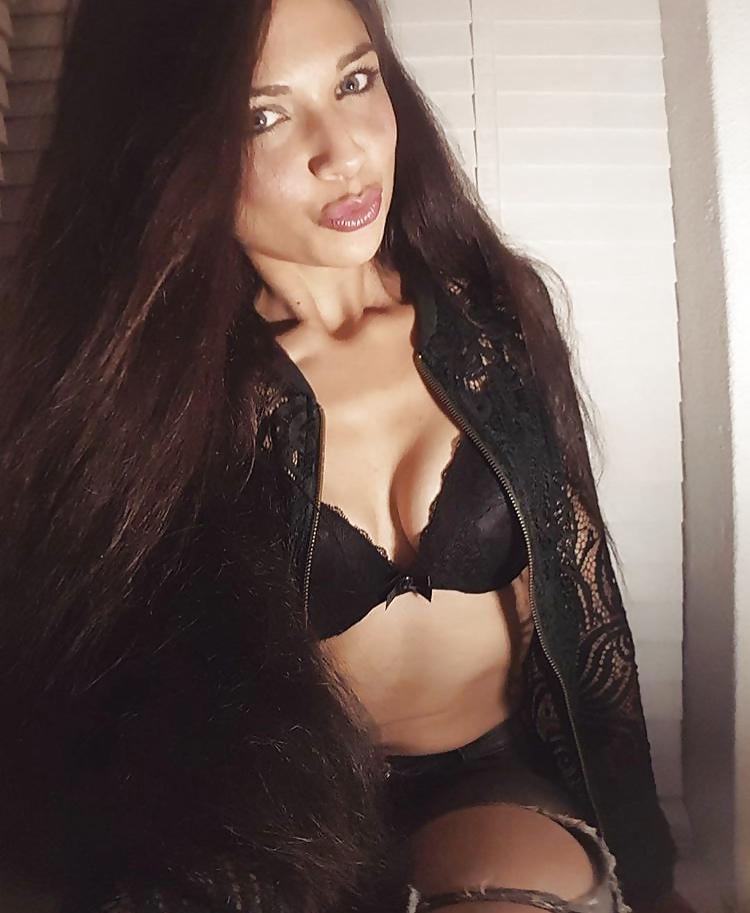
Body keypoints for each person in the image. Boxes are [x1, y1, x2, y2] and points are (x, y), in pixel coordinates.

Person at [0, 1, 696, 912]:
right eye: (263, 115)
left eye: (355, 80)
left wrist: (650, 868)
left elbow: (586, 608)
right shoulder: (149, 405)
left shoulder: (491, 324)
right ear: (168, 149)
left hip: (486, 785)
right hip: (267, 825)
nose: (344, 151)